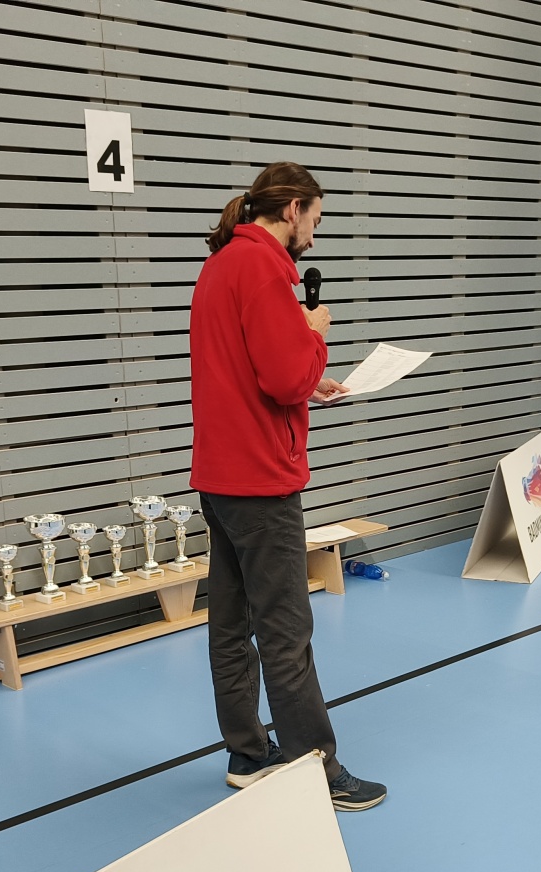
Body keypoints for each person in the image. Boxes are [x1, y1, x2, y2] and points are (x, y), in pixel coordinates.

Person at [189, 162, 386, 812]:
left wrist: (305, 378)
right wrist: (315, 336)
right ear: (294, 209)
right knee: (285, 629)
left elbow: (248, 369)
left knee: (231, 622)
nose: (314, 237)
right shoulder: (265, 268)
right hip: (260, 482)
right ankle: (317, 769)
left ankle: (248, 754)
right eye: (315, 221)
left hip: (219, 476)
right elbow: (282, 376)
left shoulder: (220, 265)